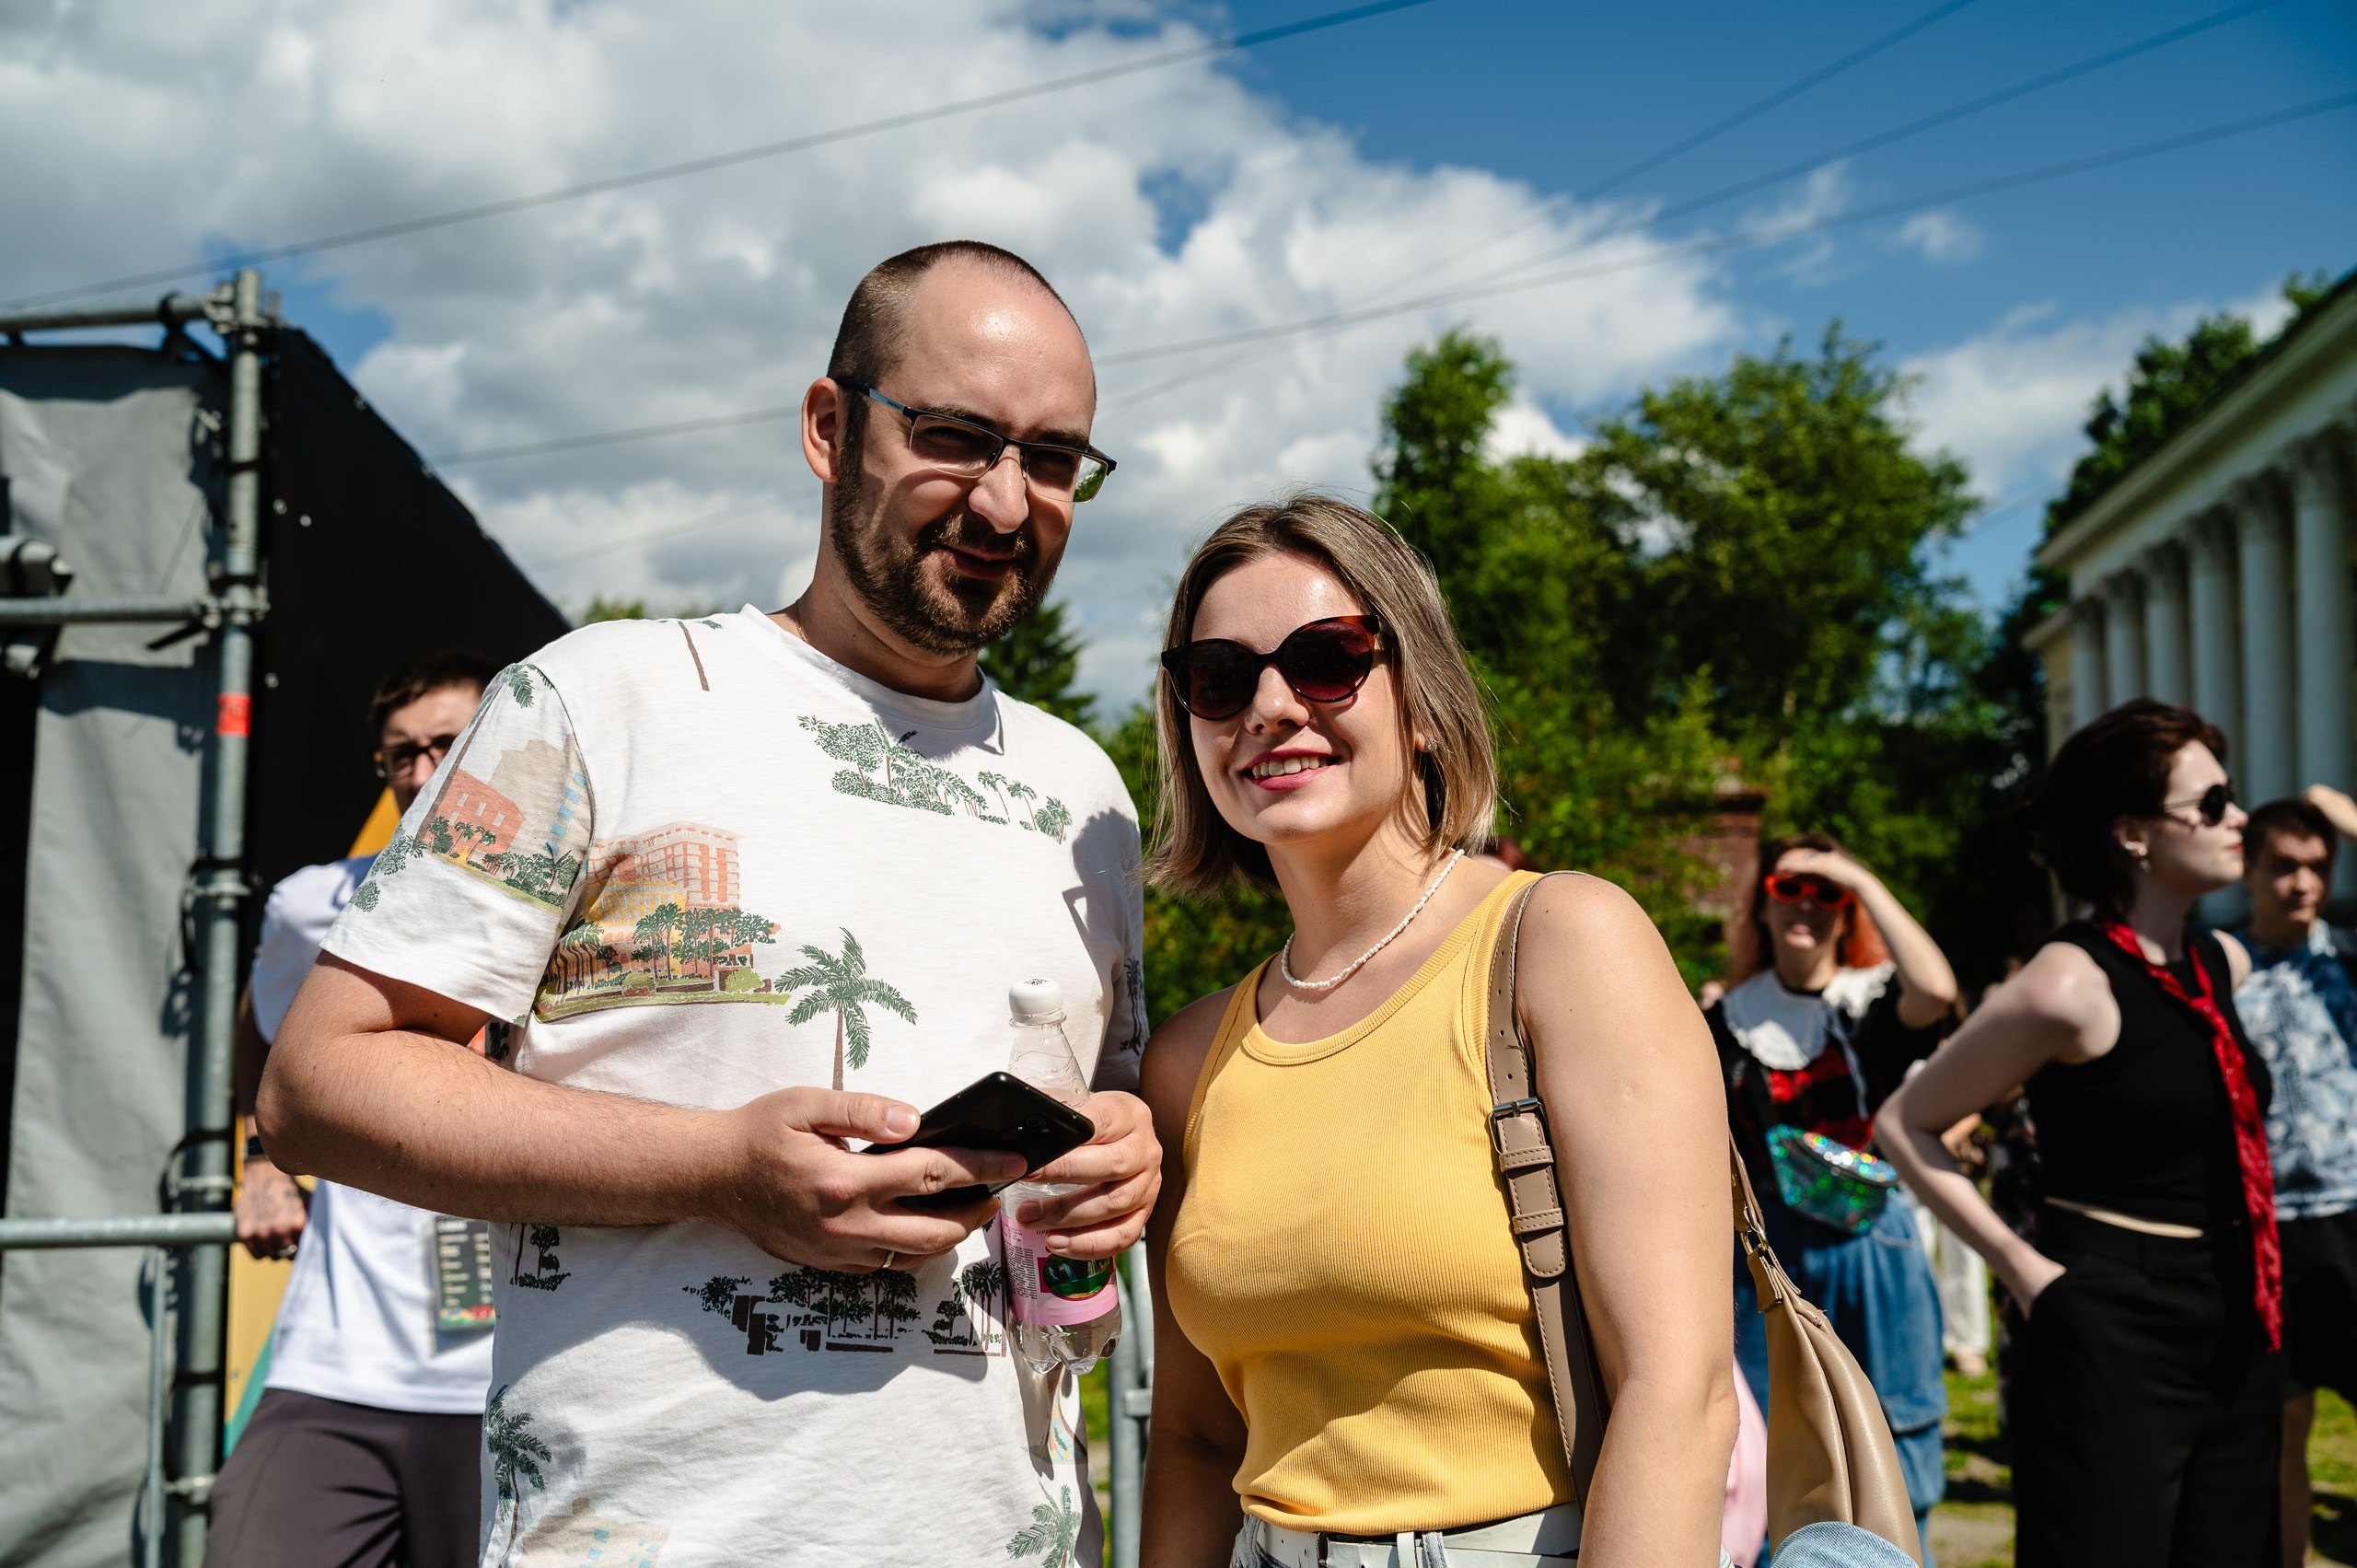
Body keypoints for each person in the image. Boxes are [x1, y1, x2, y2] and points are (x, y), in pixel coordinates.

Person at [259, 241, 1157, 1567]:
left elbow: (1100, 1108)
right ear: (829, 426)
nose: (1008, 500)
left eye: (1054, 458)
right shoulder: (596, 699)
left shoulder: (1085, 793)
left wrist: (1123, 1148)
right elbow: (321, 1080)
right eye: (959, 437)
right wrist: (719, 1166)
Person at [1136, 495, 1739, 1568]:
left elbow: (1677, 1392)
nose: (1271, 706)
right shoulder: (1188, 1058)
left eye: (1326, 660)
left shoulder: (1561, 942)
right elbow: (1190, 1437)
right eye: (1220, 677)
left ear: (1422, 700)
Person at [1877, 700, 2277, 1568]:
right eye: (2210, 803)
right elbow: (1906, 1123)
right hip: (2110, 1316)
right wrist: (2025, 1272)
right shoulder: (2065, 983)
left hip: (2238, 1309)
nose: (2237, 818)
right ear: (2133, 833)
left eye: (2230, 796)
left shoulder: (2221, 963)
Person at [209, 651, 502, 1568]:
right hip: (338, 1359)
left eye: (449, 745)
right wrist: (264, 1156)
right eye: (400, 753)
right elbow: (257, 1033)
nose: (421, 772)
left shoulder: (582, 909)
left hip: (514, 1370)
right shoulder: (311, 904)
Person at [1710, 833, 1958, 1562]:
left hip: (1873, 1244)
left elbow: (1937, 989)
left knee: (1898, 1423)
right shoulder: (1727, 1021)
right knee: (1767, 1431)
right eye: (1791, 888)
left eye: (1828, 894)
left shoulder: (1870, 1006)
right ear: (1762, 901)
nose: (1809, 905)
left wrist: (1855, 872)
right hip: (1766, 1253)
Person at [2228, 787, 2357, 1567]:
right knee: (2281, 1422)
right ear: (2247, 869)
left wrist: (2344, 814)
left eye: (2318, 866)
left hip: (2352, 1212)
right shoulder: (2220, 965)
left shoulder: (2348, 956)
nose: (2302, 883)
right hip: (2267, 1225)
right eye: (2283, 866)